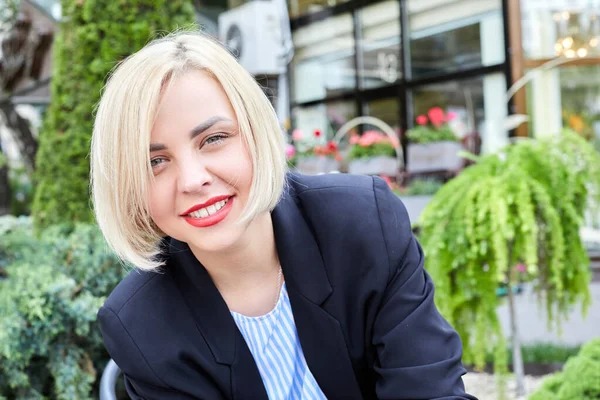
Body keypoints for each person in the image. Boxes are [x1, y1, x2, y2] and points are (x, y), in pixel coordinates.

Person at [91, 31, 477, 400]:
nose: (192, 180)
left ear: (257, 132)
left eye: (213, 139)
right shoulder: (140, 323)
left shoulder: (362, 226)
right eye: (155, 162)